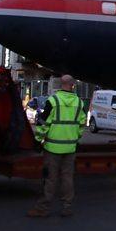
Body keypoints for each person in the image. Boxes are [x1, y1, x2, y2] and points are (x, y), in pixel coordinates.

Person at [28, 75, 87, 218]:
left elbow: (43, 124)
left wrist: (38, 140)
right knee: (67, 178)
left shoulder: (53, 101)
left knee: (50, 178)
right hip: (70, 148)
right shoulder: (79, 103)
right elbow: (82, 124)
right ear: (73, 85)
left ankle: (43, 208)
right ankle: (67, 207)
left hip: (52, 147)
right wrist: (75, 138)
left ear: (61, 84)